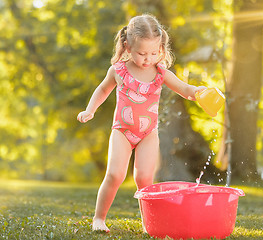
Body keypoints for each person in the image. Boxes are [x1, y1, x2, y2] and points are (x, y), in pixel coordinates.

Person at [77, 14, 206, 232]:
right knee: (115, 174)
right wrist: (90, 110)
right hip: (122, 131)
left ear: (161, 49)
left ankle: (150, 223)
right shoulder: (118, 70)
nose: (148, 58)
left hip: (148, 133)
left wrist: (198, 92)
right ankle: (99, 218)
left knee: (145, 178)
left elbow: (184, 89)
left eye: (154, 53)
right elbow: (102, 90)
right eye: (142, 53)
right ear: (127, 46)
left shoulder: (161, 73)